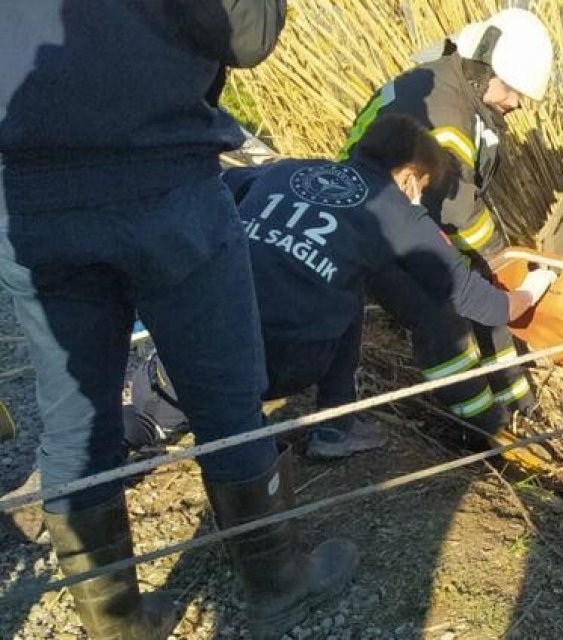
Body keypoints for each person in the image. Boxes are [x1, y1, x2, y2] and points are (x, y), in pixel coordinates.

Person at [0, 3, 359, 639]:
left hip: (31, 198)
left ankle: (116, 623)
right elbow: (248, 36)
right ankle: (276, 585)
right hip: (164, 183)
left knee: (73, 425)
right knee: (227, 402)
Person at [123, 115, 558, 458]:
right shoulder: (398, 213)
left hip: (198, 338)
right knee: (351, 280)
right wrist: (532, 288)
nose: (418, 197)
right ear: (409, 177)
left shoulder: (287, 170)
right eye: (421, 188)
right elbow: (481, 304)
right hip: (282, 361)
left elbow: (212, 197)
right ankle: (334, 426)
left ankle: (138, 429)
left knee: (160, 408)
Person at [340, 8, 555, 447]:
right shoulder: (448, 117)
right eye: (513, 90)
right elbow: (459, 212)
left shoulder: (451, 80)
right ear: (484, 70)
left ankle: (518, 404)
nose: (516, 103)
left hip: (390, 203)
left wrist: (490, 273)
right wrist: (503, 260)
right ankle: (481, 429)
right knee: (440, 317)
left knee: (480, 289)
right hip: (369, 224)